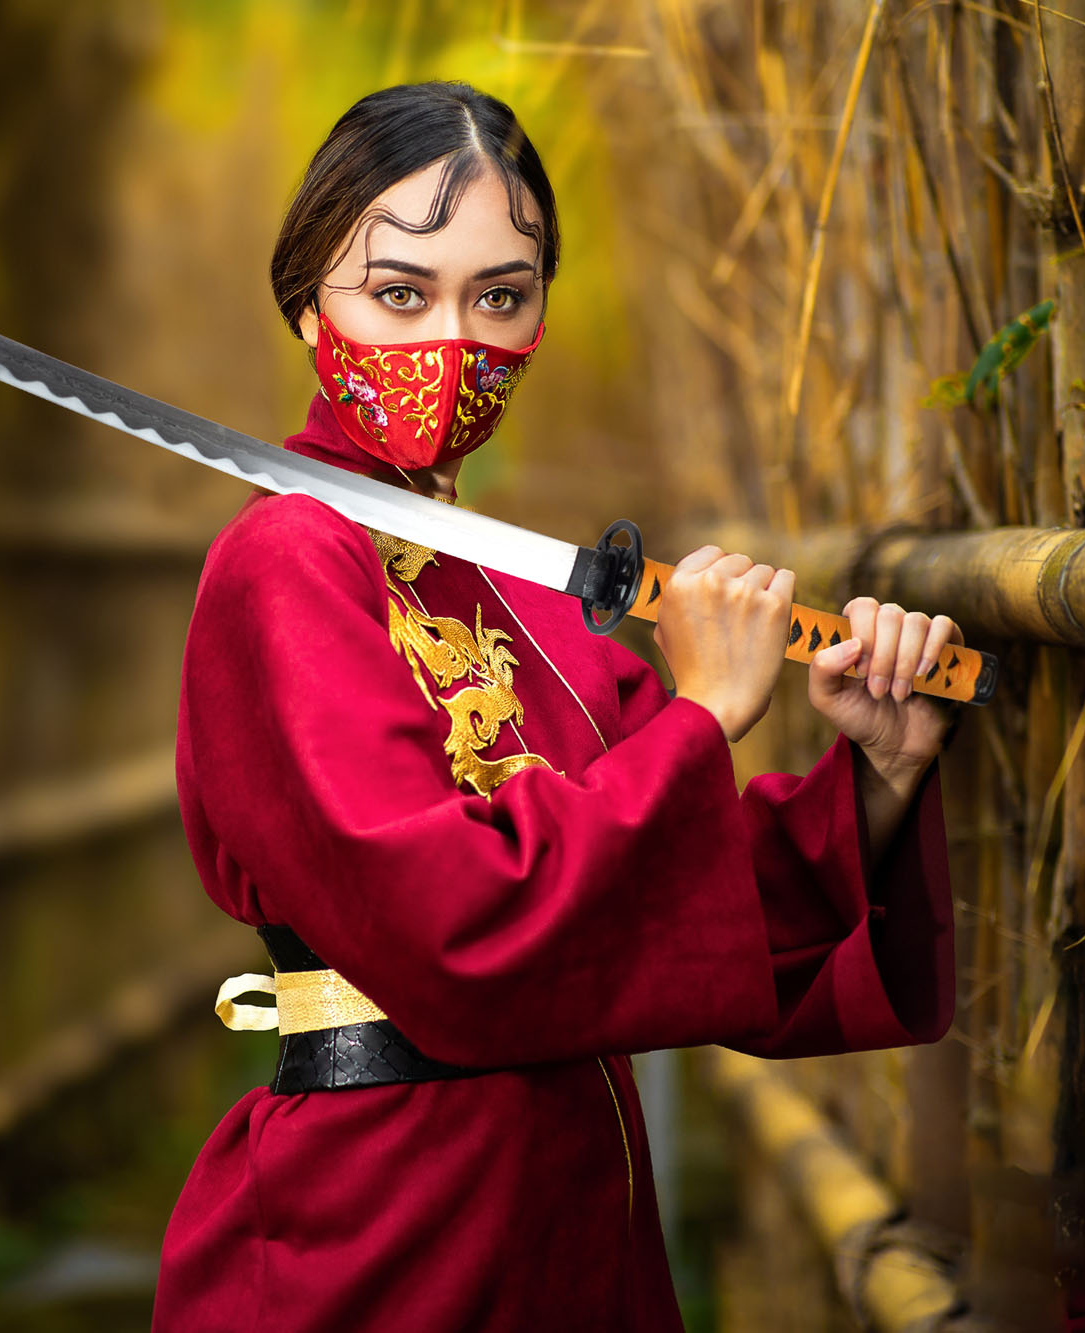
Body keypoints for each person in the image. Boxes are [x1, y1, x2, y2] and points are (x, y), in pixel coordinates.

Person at [153, 82, 959, 1332]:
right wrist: (704, 715)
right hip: (383, 1223)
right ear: (311, 306)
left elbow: (685, 902)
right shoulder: (286, 564)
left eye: (500, 295)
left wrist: (880, 774)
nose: (452, 341)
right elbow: (445, 924)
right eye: (400, 292)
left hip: (577, 1211)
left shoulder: (525, 592)